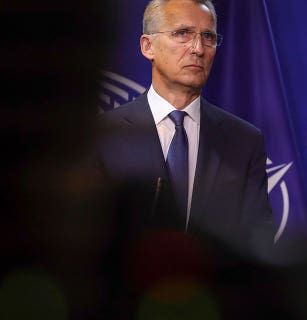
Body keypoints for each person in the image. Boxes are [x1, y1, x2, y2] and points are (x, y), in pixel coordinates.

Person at [94, 0, 275, 255]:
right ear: (148, 46)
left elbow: (259, 242)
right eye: (182, 34)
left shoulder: (244, 142)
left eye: (208, 37)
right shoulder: (105, 137)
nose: (198, 49)